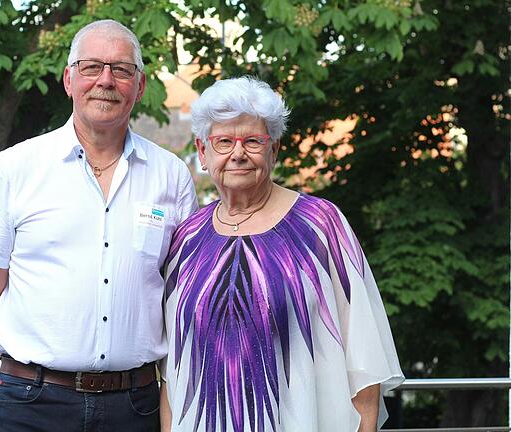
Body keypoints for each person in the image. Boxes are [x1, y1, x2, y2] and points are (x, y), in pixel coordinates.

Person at [0, 19, 198, 432]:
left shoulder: (171, 175)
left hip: (135, 406)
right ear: (70, 79)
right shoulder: (15, 168)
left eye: (121, 70)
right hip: (32, 405)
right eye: (92, 68)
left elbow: (183, 295)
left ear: (139, 87)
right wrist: (30, 364)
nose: (105, 80)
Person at [162, 76, 404, 432]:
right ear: (202, 151)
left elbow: (364, 358)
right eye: (224, 141)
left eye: (253, 141)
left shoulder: (321, 226)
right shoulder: (187, 238)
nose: (238, 153)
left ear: (274, 149)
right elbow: (172, 371)